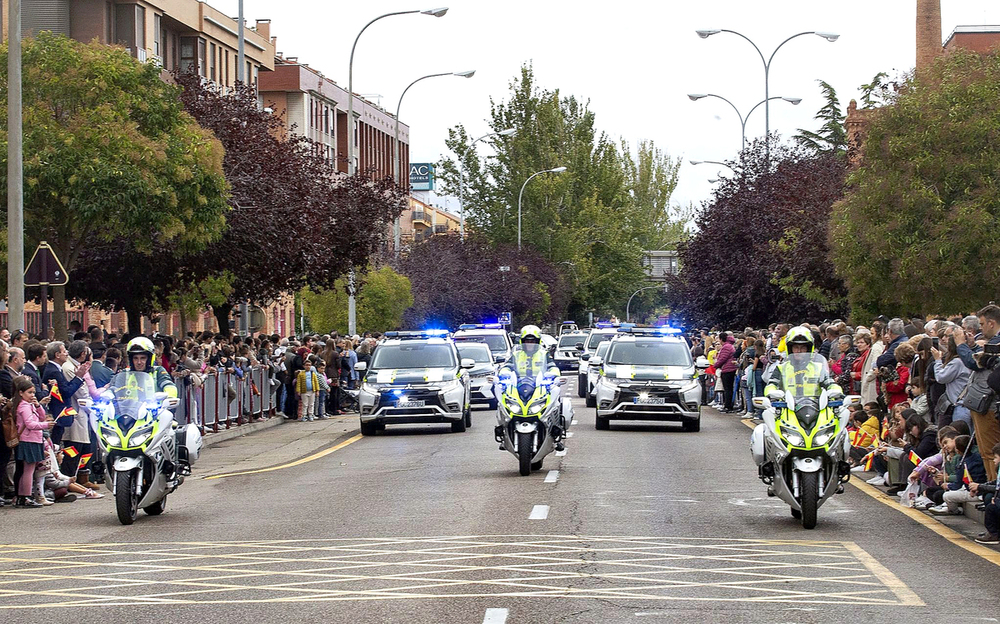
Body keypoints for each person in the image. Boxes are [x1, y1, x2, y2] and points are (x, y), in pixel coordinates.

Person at [763, 326, 843, 401]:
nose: (799, 351)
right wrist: (772, 392)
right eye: (796, 348)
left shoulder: (818, 368)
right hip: (787, 408)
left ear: (808, 349)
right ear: (790, 349)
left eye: (803, 348)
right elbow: (771, 384)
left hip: (815, 408)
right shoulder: (781, 368)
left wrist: (835, 390)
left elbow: (829, 382)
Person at [13, 376, 51, 508]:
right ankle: (25, 497)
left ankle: (24, 496)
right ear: (21, 393)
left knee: (29, 469)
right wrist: (46, 425)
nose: (32, 395)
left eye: (33, 392)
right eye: (29, 393)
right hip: (28, 439)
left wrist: (38, 405)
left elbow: (41, 416)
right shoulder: (23, 407)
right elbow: (30, 423)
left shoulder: (30, 405)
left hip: (34, 439)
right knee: (28, 470)